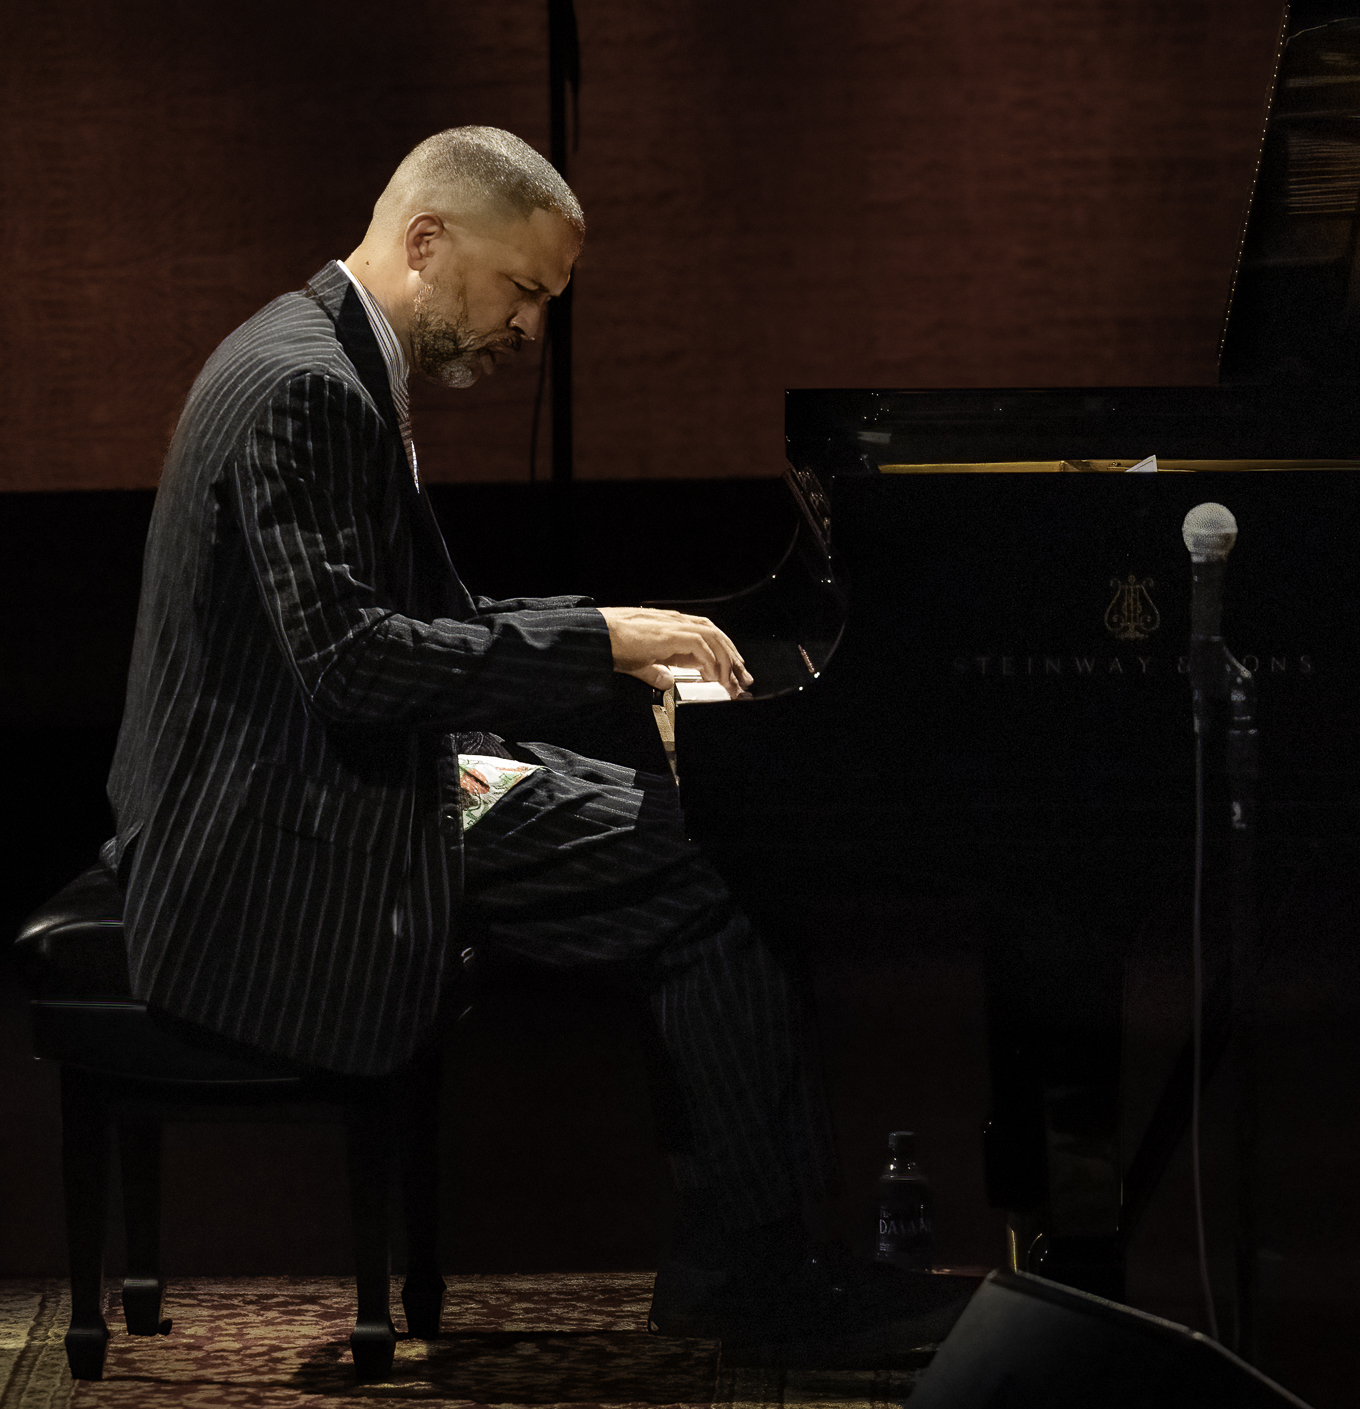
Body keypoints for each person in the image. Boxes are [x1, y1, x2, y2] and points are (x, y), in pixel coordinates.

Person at [103, 125, 965, 1361]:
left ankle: (740, 1257)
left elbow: (418, 632)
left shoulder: (323, 353)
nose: (531, 328)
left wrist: (615, 645)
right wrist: (605, 640)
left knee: (680, 821)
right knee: (716, 866)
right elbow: (353, 664)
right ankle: (762, 1277)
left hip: (323, 779)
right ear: (427, 240)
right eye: (523, 288)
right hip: (275, 841)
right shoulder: (310, 387)